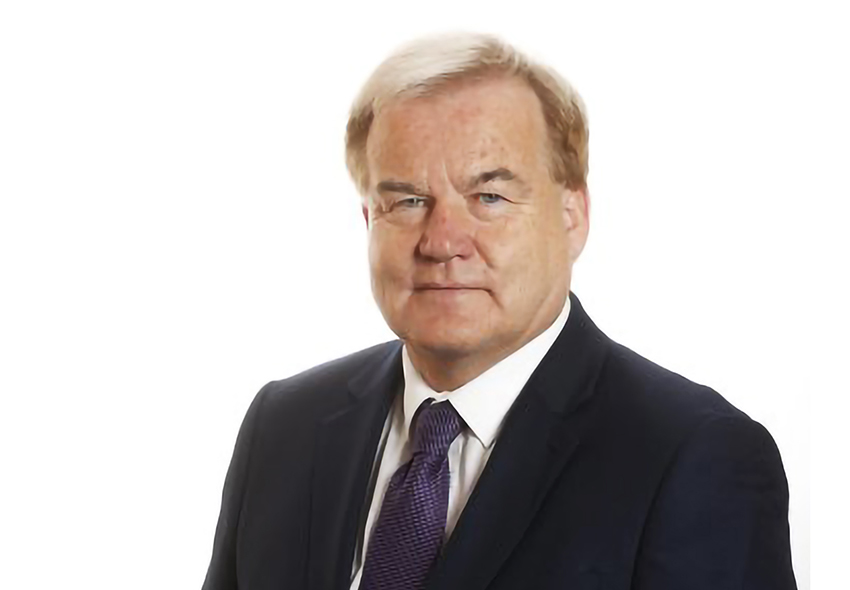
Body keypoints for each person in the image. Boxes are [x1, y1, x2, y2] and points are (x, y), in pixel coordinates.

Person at [201, 33, 797, 590]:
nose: (441, 241)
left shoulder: (693, 457)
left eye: (489, 196)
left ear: (572, 217)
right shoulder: (284, 426)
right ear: (368, 221)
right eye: (407, 200)